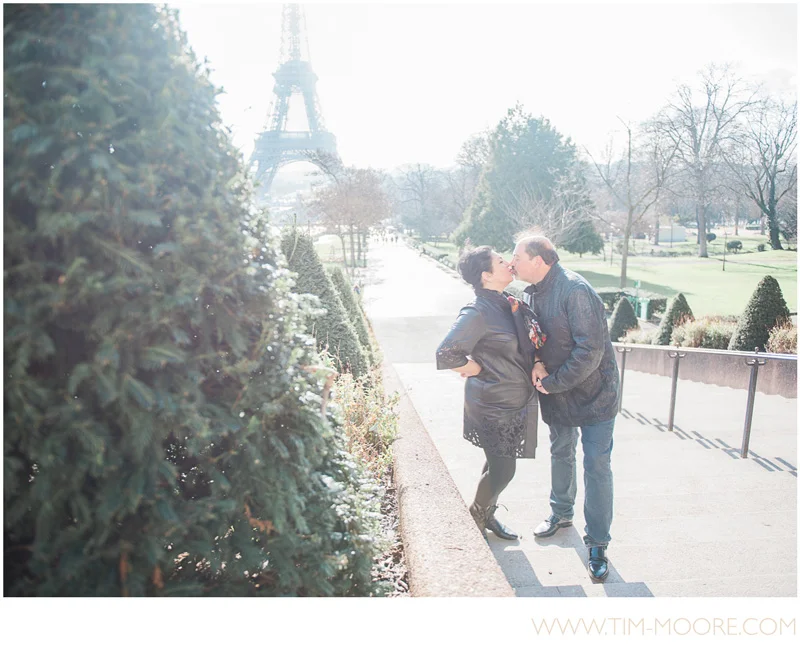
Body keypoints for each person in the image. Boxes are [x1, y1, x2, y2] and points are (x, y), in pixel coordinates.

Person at [511, 235, 619, 582]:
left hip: (596, 395)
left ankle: (598, 542)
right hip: (557, 393)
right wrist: (539, 362)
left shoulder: (575, 290)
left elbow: (590, 352)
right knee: (560, 451)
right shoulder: (530, 292)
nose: (512, 264)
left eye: (517, 257)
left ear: (539, 260)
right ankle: (561, 513)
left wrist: (552, 381)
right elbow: (535, 338)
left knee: (596, 464)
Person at [436, 246, 545, 540]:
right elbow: (447, 353)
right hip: (491, 404)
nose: (508, 263)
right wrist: (476, 368)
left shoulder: (506, 302)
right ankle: (475, 517)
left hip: (513, 399)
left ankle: (487, 515)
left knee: (496, 462)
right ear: (486, 275)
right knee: (503, 469)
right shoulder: (478, 311)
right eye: (500, 261)